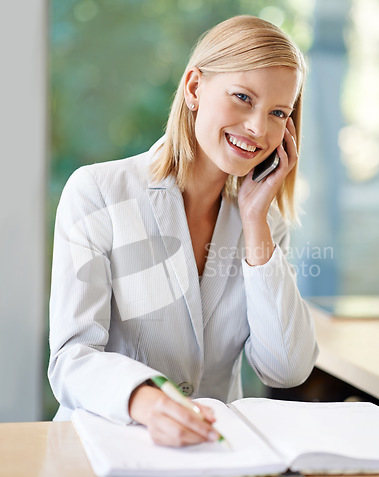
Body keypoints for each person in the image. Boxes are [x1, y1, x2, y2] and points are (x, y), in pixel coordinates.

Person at [48, 15, 318, 447]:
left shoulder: (265, 223)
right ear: (194, 88)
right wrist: (148, 400)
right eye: (243, 97)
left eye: (278, 113)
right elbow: (71, 359)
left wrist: (254, 224)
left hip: (209, 457)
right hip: (104, 448)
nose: (258, 128)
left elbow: (285, 369)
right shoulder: (98, 192)